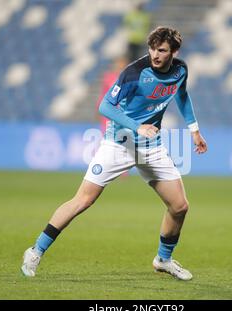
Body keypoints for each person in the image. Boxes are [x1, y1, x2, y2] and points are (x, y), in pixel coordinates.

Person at [21, 26, 208, 281]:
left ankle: (163, 260)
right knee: (83, 200)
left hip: (150, 146)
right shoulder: (135, 73)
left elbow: (182, 95)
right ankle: (35, 251)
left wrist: (194, 130)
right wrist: (136, 126)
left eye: (162, 50)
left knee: (179, 206)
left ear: (174, 51)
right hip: (119, 142)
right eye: (152, 48)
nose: (155, 54)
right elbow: (105, 106)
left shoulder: (180, 70)